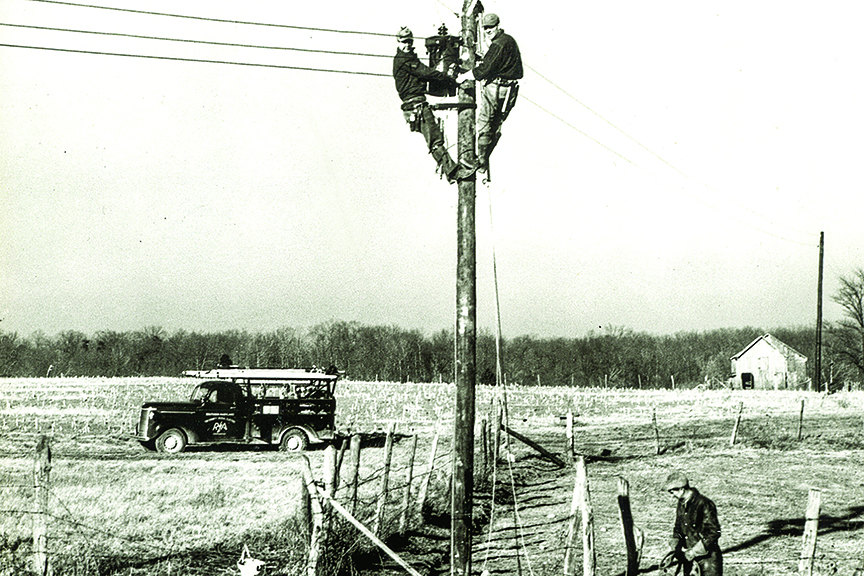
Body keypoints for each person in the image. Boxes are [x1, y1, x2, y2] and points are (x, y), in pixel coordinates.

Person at [392, 26, 476, 183]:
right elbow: (426, 73)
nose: (407, 45)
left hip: (416, 103)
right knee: (435, 140)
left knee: (435, 138)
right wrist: (448, 78)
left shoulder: (408, 57)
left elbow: (424, 76)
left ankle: (452, 171)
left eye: (409, 41)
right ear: (398, 42)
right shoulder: (404, 59)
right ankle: (453, 172)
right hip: (415, 105)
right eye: (404, 42)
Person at [457, 13, 523, 172]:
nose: (487, 31)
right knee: (496, 126)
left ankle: (479, 161)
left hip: (497, 89)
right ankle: (483, 160)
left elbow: (484, 70)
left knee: (484, 125)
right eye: (485, 28)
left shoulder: (498, 44)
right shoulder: (508, 40)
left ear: (498, 26)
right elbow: (497, 63)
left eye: (491, 27)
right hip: (510, 91)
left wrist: (464, 77)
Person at [661, 471, 723, 576]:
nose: (672, 496)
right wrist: (675, 549)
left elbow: (714, 532)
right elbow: (678, 528)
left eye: (673, 492)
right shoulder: (682, 504)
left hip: (708, 561)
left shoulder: (704, 504)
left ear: (681, 489)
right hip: (689, 560)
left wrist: (693, 552)